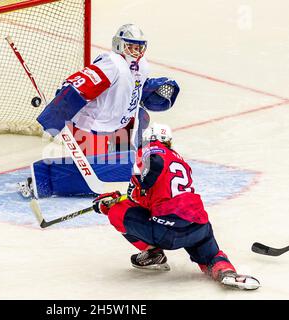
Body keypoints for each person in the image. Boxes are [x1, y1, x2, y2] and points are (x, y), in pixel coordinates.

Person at [18, 24, 179, 199]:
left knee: (128, 163)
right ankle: (43, 177)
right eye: (130, 46)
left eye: (139, 47)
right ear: (119, 44)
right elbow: (80, 84)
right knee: (92, 172)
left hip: (119, 124)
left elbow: (132, 88)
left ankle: (123, 160)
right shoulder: (112, 63)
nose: (136, 51)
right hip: (92, 125)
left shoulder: (142, 66)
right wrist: (57, 114)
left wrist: (147, 90)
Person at [92, 123, 260, 290]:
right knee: (211, 256)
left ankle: (153, 254)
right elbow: (158, 196)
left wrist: (114, 203)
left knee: (116, 212)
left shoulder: (152, 150)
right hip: (199, 226)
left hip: (167, 230)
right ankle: (226, 272)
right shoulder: (179, 159)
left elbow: (153, 167)